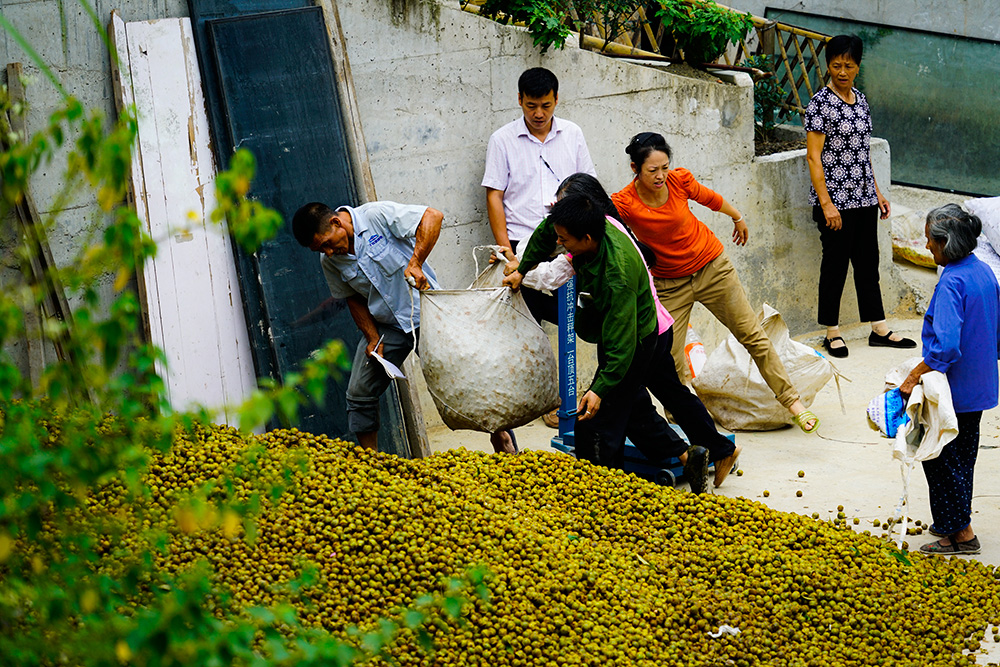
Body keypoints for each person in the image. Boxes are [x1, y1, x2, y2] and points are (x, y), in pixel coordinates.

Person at [505, 191, 739, 492]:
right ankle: (689, 454)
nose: (559, 243)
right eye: (559, 236)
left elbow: (622, 346)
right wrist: (522, 269)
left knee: (598, 419)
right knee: (635, 405)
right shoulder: (592, 227)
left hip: (639, 340)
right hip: (633, 331)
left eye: (565, 240)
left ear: (587, 238)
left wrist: (600, 389)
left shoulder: (617, 276)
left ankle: (608, 492)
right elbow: (545, 234)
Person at [612, 132, 819, 433]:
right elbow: (601, 224)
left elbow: (711, 199)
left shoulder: (679, 181)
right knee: (667, 358)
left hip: (712, 269)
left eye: (664, 167)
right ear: (635, 169)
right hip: (669, 284)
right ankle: (684, 422)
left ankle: (792, 402)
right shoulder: (626, 202)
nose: (660, 176)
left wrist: (738, 217)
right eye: (652, 170)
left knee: (751, 334)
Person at [482, 66, 596, 439]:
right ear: (519, 101)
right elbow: (495, 194)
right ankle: (549, 400)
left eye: (545, 105)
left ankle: (572, 396)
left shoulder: (573, 134)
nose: (538, 113)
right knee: (531, 328)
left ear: (556, 100)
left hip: (567, 243)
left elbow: (588, 188)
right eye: (531, 105)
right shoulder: (502, 140)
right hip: (523, 245)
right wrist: (507, 252)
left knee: (570, 320)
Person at [291, 201, 442, 452]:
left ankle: (501, 440)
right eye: (320, 249)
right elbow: (351, 297)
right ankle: (371, 463)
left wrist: (416, 261)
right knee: (359, 391)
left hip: (426, 314)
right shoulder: (329, 262)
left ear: (336, 223)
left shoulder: (375, 216)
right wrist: (372, 337)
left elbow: (432, 216)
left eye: (327, 243)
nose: (328, 252)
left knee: (455, 376)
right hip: (387, 326)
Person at [805, 34, 915, 358]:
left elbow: (863, 152)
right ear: (828, 65)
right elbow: (813, 157)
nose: (842, 71)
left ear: (858, 66)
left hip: (864, 197)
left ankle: (878, 328)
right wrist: (826, 205)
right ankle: (832, 331)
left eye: (848, 65)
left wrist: (878, 192)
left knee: (868, 264)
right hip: (835, 201)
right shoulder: (819, 105)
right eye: (836, 65)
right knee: (835, 265)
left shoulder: (861, 100)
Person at [899, 205, 1000, 556]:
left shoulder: (952, 282)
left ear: (945, 243)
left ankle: (959, 533)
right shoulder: (983, 271)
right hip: (980, 384)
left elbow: (945, 347)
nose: (927, 246)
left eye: (930, 240)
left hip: (954, 389)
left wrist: (913, 377)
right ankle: (956, 526)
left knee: (940, 457)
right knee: (962, 457)